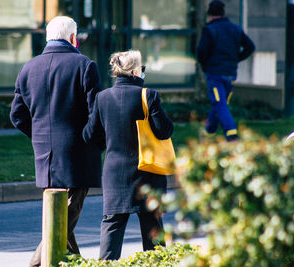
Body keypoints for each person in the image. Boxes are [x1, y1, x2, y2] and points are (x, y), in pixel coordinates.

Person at [10, 16, 102, 267]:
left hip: (45, 154)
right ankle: (37, 262)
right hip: (77, 153)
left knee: (60, 213)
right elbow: (96, 112)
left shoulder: (28, 67)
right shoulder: (85, 65)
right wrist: (91, 140)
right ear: (73, 38)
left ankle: (74, 262)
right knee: (65, 215)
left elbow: (17, 115)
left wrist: (39, 135)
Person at [82, 50, 173, 260]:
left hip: (115, 173)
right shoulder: (148, 95)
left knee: (112, 226)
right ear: (134, 71)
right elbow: (164, 130)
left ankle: (105, 265)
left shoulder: (102, 98)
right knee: (153, 229)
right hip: (147, 172)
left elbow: (89, 136)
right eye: (142, 68)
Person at [197, 0, 255, 141]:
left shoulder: (209, 30)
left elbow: (201, 53)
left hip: (215, 74)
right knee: (220, 103)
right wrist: (236, 59)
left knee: (219, 103)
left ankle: (231, 134)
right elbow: (250, 47)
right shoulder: (235, 29)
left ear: (210, 15)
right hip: (230, 74)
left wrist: (206, 67)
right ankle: (208, 133)